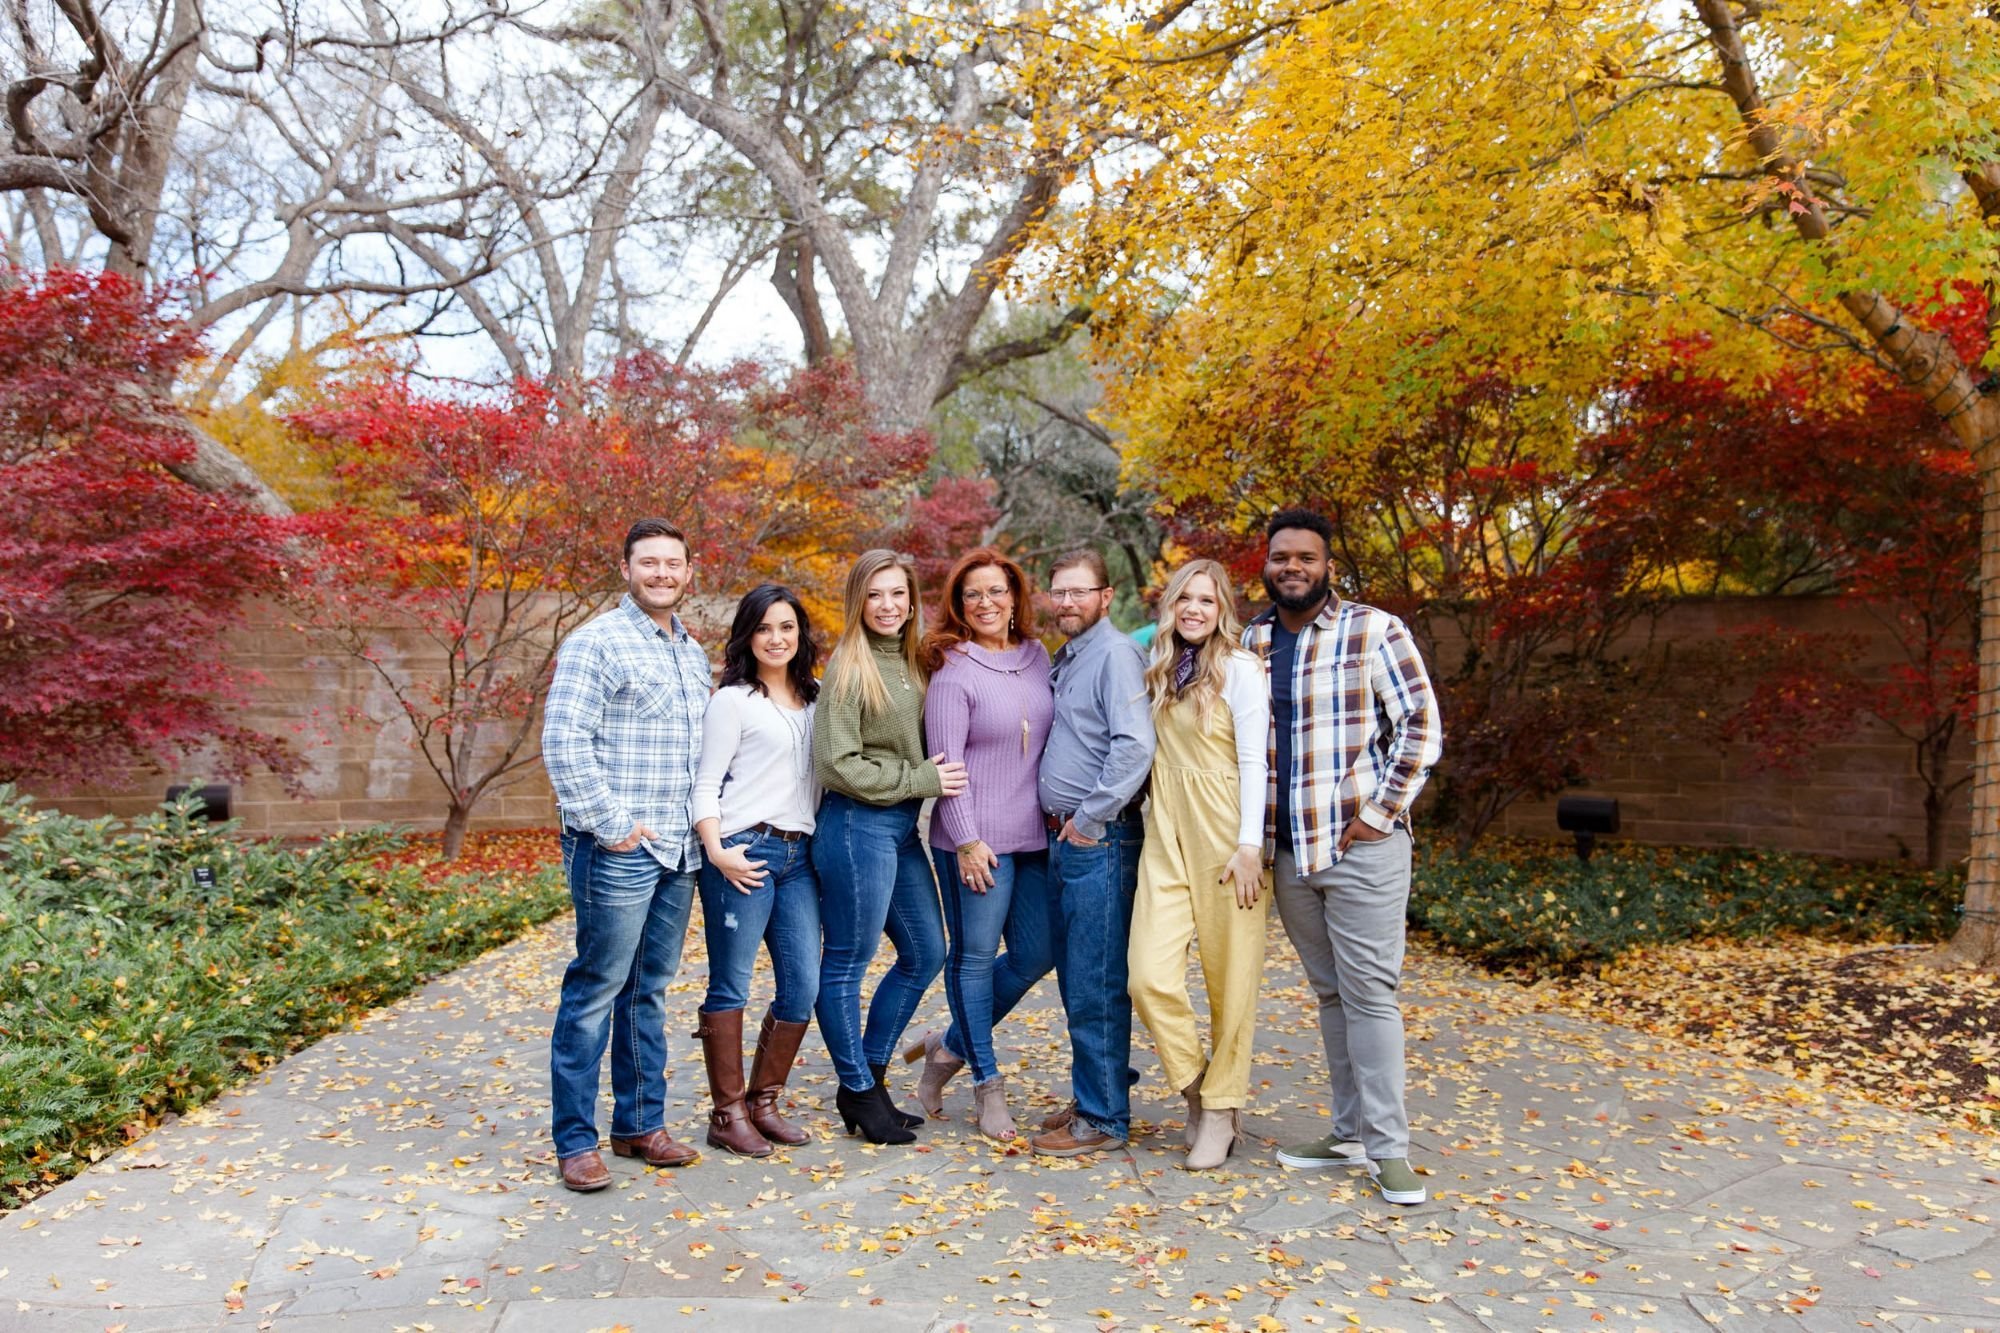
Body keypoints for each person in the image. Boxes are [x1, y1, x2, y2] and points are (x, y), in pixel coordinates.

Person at [1247, 510, 1442, 1205]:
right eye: (1281, 556)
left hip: (1361, 847)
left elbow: (1421, 724)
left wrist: (1379, 813)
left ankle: (1389, 1150)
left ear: (1329, 566)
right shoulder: (1251, 641)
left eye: (1306, 557)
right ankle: (1349, 1132)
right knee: (1331, 994)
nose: (1292, 567)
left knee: (1370, 994)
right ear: (1266, 564)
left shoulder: (1374, 629)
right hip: (1289, 853)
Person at [540, 518, 714, 1190]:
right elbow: (564, 742)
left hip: (677, 850)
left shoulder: (691, 652)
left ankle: (640, 1123)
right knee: (595, 989)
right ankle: (575, 1141)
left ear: (689, 571)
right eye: (649, 562)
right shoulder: (597, 642)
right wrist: (612, 825)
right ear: (626, 568)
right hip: (618, 847)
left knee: (649, 990)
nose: (662, 573)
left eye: (673, 563)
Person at [811, 549, 969, 1144]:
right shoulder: (850, 667)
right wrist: (921, 779)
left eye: (898, 593)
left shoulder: (913, 660)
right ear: (858, 601)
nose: (887, 605)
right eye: (875, 594)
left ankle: (868, 1079)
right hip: (856, 826)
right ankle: (857, 1087)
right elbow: (835, 764)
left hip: (900, 828)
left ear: (911, 600)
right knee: (847, 962)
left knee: (926, 952)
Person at [903, 548, 1055, 1140]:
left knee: (1036, 953)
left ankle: (947, 1045)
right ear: (958, 604)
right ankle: (987, 1084)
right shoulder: (952, 669)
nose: (985, 602)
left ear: (1015, 597)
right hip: (975, 841)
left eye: (996, 591)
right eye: (972, 594)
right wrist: (966, 840)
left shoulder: (1038, 656)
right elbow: (947, 768)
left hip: (1034, 837)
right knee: (973, 957)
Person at [1127, 559, 1269, 1170]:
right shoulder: (1159, 665)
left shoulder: (1241, 668)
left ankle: (1221, 1110)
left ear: (1222, 609)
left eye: (1207, 601)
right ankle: (1196, 1086)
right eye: (1184, 598)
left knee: (1230, 981)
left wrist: (1249, 845)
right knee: (1147, 975)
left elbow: (1255, 761)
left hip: (1226, 830)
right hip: (1166, 825)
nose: (1194, 609)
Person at [1027, 550, 1156, 1158]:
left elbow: (1135, 747)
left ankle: (1104, 1118)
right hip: (1070, 841)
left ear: (1106, 597)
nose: (1067, 602)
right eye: (1059, 592)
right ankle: (1097, 1095)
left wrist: (1088, 817)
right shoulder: (1073, 657)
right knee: (1080, 977)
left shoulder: (1116, 655)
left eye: (1080, 591)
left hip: (1099, 841)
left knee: (1095, 982)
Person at [689, 584, 823, 1158]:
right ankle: (727, 1114)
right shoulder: (733, 701)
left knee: (804, 984)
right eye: (764, 628)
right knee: (732, 982)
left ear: (800, 634)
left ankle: (764, 1102)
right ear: (748, 636)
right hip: (744, 851)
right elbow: (705, 784)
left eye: (786, 627)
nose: (776, 638)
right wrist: (717, 850)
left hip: (800, 858)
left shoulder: (817, 698)